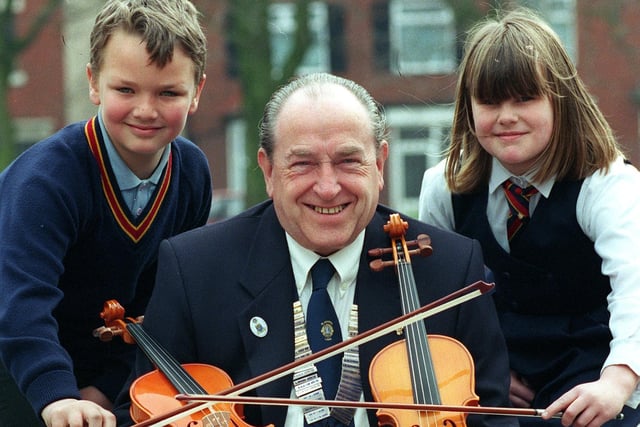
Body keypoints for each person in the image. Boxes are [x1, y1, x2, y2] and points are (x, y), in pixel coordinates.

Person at [113, 72, 516, 427]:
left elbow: (493, 418)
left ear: (379, 164)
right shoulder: (194, 270)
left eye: (348, 161)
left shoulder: (451, 268)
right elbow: (147, 411)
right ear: (268, 171)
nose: (327, 187)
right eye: (302, 164)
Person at [418, 8, 640, 427]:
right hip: (491, 375)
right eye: (489, 101)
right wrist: (477, 370)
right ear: (468, 108)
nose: (506, 116)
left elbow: (635, 289)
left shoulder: (609, 184)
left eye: (524, 98)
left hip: (592, 376)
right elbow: (437, 306)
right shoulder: (443, 188)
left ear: (561, 99)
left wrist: (617, 382)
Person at [0, 0, 212, 426]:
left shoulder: (191, 173)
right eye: (126, 90)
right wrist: (58, 396)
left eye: (168, 92)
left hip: (97, 378)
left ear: (196, 93)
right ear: (94, 83)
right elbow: (22, 302)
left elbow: (156, 308)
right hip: (16, 361)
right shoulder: (48, 179)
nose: (146, 110)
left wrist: (105, 387)